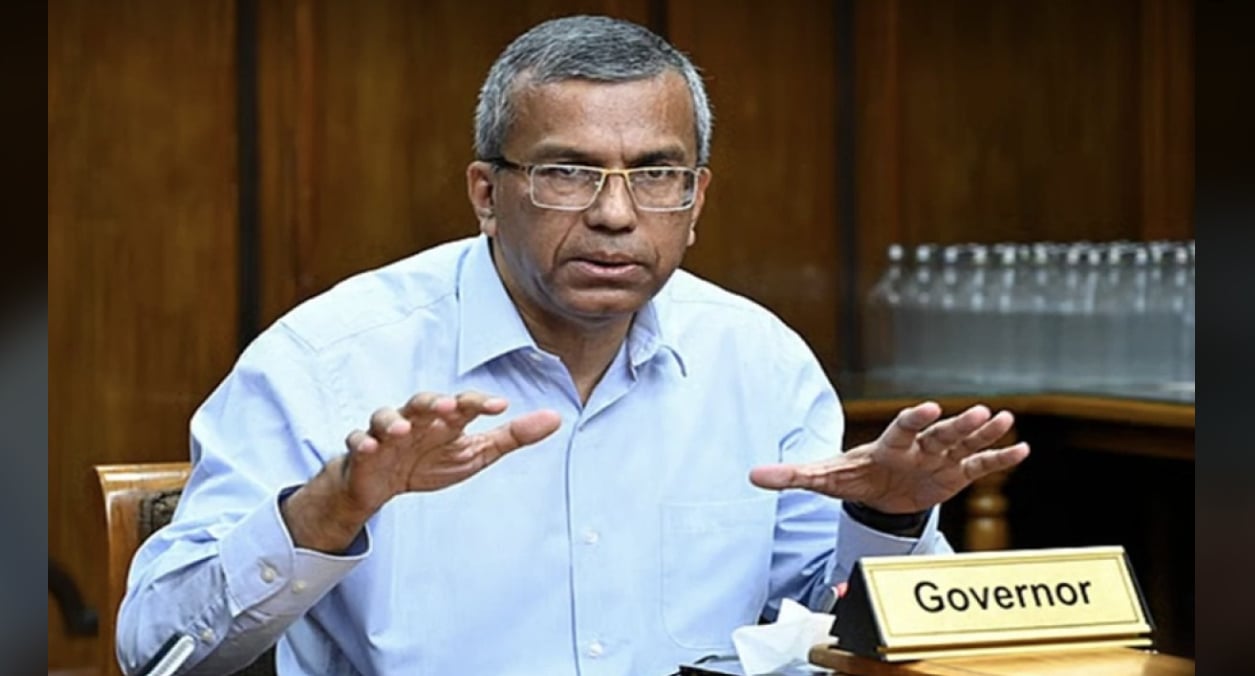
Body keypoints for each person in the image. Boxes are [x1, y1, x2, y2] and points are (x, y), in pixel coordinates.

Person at [116, 14, 1029, 676]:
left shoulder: (758, 362)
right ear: (485, 194)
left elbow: (826, 630)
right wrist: (325, 514)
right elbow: (155, 652)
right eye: (566, 173)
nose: (616, 214)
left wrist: (890, 520)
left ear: (697, 199)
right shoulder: (329, 361)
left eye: (657, 175)